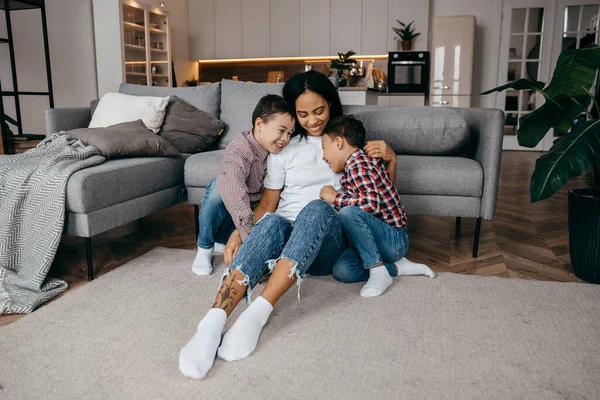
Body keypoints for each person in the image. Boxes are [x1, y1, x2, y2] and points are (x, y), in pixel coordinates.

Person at [179, 71, 400, 380]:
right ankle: (213, 319)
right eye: (303, 114)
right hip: (286, 242)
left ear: (331, 105)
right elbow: (268, 203)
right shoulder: (284, 148)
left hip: (327, 241)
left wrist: (391, 162)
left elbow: (379, 202)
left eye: (319, 111)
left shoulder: (348, 142)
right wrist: (238, 232)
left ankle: (257, 314)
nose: (312, 120)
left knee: (317, 207)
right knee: (271, 223)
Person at [319, 115, 435, 298]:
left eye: (324, 148)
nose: (323, 156)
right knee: (342, 270)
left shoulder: (358, 164)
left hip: (394, 240)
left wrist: (335, 198)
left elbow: (371, 204)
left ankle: (378, 270)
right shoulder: (357, 164)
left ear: (339, 143)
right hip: (377, 242)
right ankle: (396, 267)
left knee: (348, 213)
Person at [191, 94, 295, 275]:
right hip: (236, 214)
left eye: (289, 133)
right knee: (217, 187)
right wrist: (247, 234)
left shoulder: (279, 153)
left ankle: (225, 244)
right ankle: (205, 247)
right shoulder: (240, 148)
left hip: (258, 216)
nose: (285, 139)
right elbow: (233, 190)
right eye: (281, 130)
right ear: (259, 124)